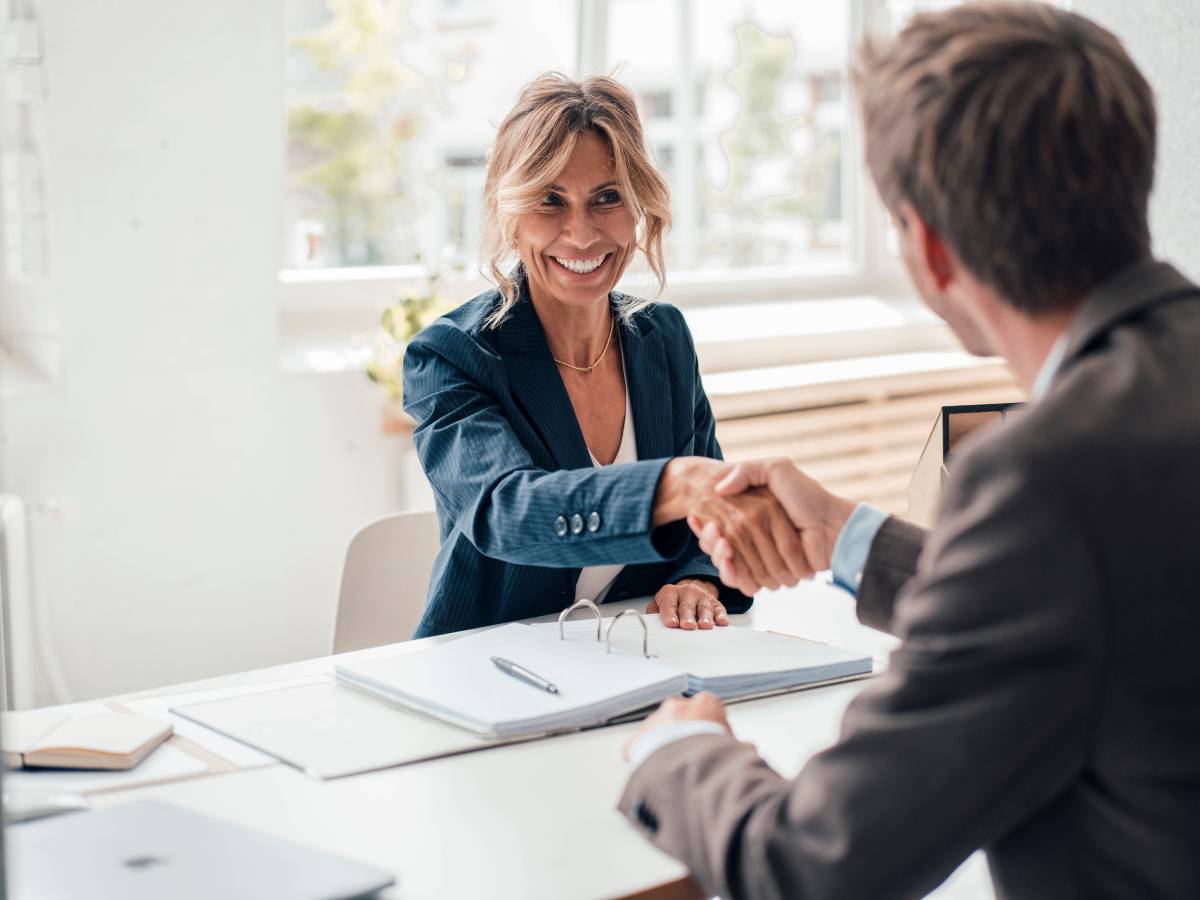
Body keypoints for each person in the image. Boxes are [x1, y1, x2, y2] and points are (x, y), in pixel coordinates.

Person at [619, 4, 1200, 898]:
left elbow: (817, 861)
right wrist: (852, 538)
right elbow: (1113, 598)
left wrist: (680, 750)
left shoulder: (1045, 479)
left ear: (926, 245)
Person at [402, 74, 802, 638]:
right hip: (488, 669)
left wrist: (697, 580)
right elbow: (507, 513)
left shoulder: (663, 338)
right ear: (509, 214)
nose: (582, 234)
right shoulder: (451, 355)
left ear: (639, 207)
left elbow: (703, 531)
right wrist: (673, 484)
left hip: (638, 660)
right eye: (550, 201)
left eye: (607, 198)